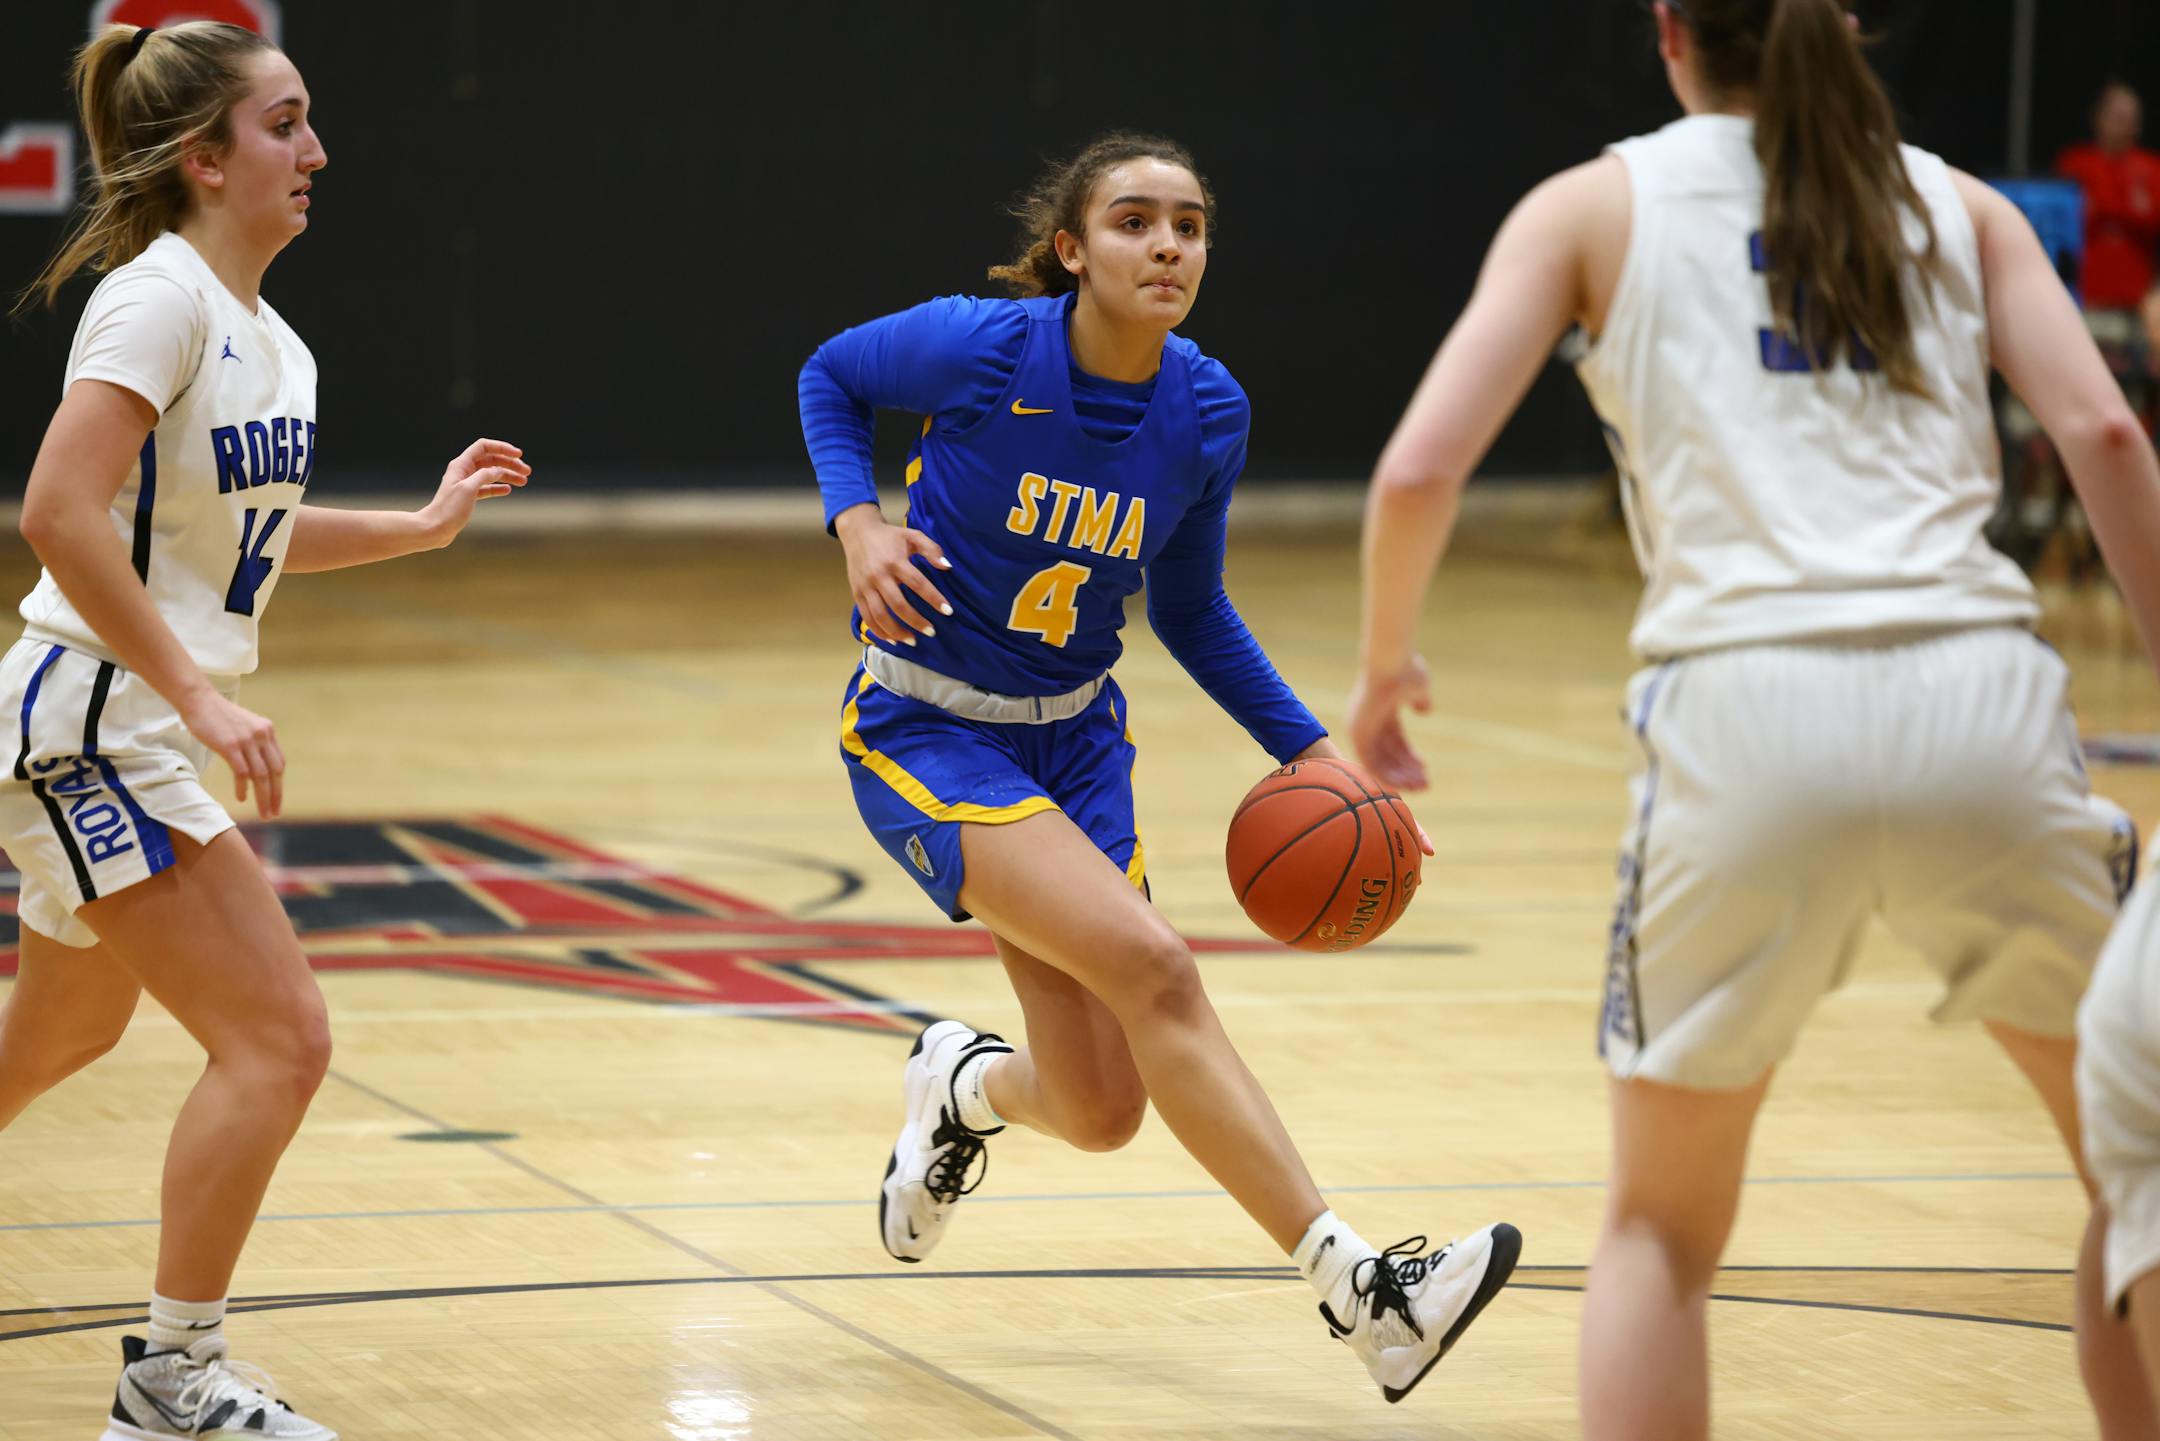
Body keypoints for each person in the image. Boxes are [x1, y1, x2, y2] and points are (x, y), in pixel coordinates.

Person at [1343, 3, 2160, 1438]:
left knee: (1659, 1231)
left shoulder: (1598, 203)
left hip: (1743, 713)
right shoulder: (1959, 204)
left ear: (1669, 32)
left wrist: (1380, 671)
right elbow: (2103, 436)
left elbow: (1417, 470)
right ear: (1843, 26)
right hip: (1987, 703)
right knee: (2137, 1175)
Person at [796, 131, 1519, 1404]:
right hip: (928, 725)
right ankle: (1368, 1297)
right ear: (1071, 250)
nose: (1169, 244)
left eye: (1190, 225)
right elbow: (830, 377)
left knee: (1099, 1103)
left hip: (1076, 739)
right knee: (1158, 967)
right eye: (1134, 221)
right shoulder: (983, 345)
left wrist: (1315, 758)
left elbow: (1190, 609)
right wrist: (859, 522)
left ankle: (961, 1086)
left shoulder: (1208, 408)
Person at [1, 22, 528, 1440]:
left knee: (53, 1040)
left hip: (132, 723)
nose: (316, 151)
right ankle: (171, 1380)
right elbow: (56, 511)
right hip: (96, 724)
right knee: (282, 1040)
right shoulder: (152, 301)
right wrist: (195, 689)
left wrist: (419, 529)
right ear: (206, 157)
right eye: (287, 125)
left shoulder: (272, 342)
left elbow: (249, 540)